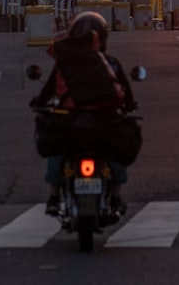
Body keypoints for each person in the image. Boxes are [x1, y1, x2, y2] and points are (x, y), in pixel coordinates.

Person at [29, 11, 137, 216]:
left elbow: (49, 89)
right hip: (104, 122)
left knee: (57, 151)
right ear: (102, 38)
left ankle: (53, 196)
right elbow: (125, 93)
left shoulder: (65, 62)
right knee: (116, 153)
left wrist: (39, 103)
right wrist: (130, 106)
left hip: (71, 122)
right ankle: (116, 196)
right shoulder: (110, 63)